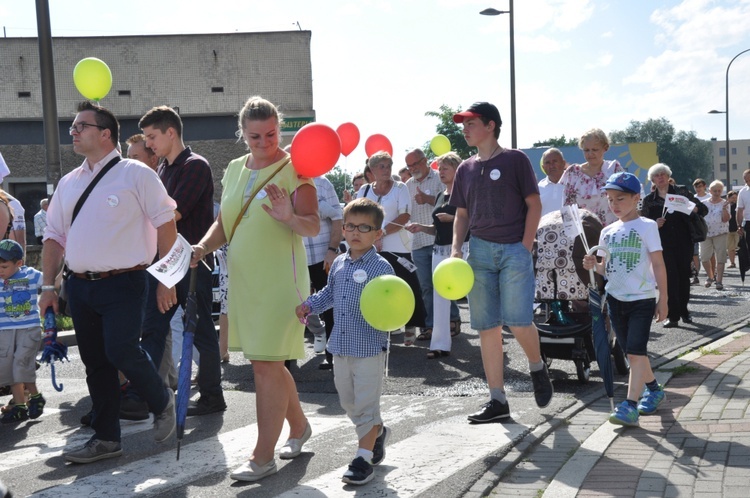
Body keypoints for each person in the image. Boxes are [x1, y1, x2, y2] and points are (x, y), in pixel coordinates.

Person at [39, 101, 177, 463]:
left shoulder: (136, 173)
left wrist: (167, 278)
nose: (73, 131)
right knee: (96, 363)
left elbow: (166, 223)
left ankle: (161, 400)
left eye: (81, 126)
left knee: (121, 350)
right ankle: (106, 439)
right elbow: (53, 237)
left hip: (125, 282)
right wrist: (48, 287)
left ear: (105, 134)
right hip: (80, 286)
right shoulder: (69, 182)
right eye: (72, 126)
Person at [189, 96, 318, 482]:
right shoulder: (232, 168)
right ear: (242, 134)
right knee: (270, 362)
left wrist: (289, 216)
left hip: (282, 280)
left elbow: (312, 225)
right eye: (255, 135)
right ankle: (299, 427)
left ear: (280, 128)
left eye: (272, 134)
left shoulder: (297, 168)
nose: (264, 142)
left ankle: (262, 456)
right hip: (244, 279)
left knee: (265, 365)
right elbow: (226, 224)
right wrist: (202, 246)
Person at [450, 101, 553, 423]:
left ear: (491, 125)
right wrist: (456, 250)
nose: (464, 129)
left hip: (513, 250)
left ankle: (537, 366)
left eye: (471, 123)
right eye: (463, 124)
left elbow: (534, 205)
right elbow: (462, 214)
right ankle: (497, 400)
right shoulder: (465, 168)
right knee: (487, 327)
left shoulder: (515, 160)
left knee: (518, 320)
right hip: (478, 251)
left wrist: (524, 246)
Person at [134, 105, 225, 417]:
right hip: (163, 264)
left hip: (190, 263)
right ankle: (145, 394)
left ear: (170, 132)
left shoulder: (195, 166)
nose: (149, 144)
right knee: (153, 329)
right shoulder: (162, 169)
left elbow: (172, 214)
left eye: (152, 136)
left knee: (199, 332)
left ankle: (213, 395)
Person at [296, 198, 393, 485]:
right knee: (348, 402)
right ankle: (377, 431)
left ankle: (362, 459)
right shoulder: (339, 261)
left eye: (365, 227)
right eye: (350, 226)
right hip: (340, 346)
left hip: (369, 348)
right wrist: (309, 305)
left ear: (377, 234)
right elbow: (329, 294)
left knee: (365, 403)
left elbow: (392, 302)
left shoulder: (381, 267)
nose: (355, 232)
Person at [583, 172, 668, 427]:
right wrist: (592, 264)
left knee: (635, 350)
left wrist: (663, 299)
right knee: (634, 354)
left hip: (642, 299)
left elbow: (659, 264)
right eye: (610, 199)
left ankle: (629, 405)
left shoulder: (648, 226)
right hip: (615, 300)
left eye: (620, 198)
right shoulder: (607, 231)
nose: (614, 204)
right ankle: (654, 389)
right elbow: (605, 269)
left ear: (636, 198)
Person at [358, 151, 426, 346]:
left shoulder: (400, 188)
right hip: (371, 248)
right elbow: (358, 215)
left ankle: (411, 325)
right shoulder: (363, 190)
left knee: (407, 286)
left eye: (389, 166)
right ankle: (381, 328)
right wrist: (370, 237)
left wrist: (382, 233)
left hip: (399, 247)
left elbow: (405, 216)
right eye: (382, 166)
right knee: (378, 290)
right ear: (372, 170)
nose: (386, 170)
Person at [406, 151, 468, 358]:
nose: (440, 172)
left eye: (445, 168)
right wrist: (421, 227)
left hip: (463, 248)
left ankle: (493, 336)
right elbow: (436, 227)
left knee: (475, 294)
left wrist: (454, 218)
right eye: (439, 168)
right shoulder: (442, 194)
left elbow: (475, 219)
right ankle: (439, 344)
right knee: (439, 295)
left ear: (457, 169)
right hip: (439, 249)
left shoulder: (466, 191)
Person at [640, 163, 707, 328]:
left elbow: (703, 209)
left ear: (668, 176)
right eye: (657, 175)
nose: (660, 177)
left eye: (663, 174)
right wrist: (655, 223)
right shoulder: (649, 200)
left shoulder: (681, 192)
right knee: (670, 278)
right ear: (653, 180)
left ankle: (684, 311)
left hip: (684, 241)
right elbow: (643, 223)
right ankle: (673, 315)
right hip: (662, 245)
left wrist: (691, 208)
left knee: (684, 277)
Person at [0, 240, 45, 424]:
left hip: (28, 327)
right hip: (5, 330)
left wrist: (62, 264)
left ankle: (35, 396)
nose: (0, 270)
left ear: (18, 263)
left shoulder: (31, 275)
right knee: (9, 368)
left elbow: (51, 281)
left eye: (4, 266)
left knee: (21, 363)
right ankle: (20, 406)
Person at [304, 175, 343, 369]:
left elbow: (338, 216)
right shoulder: (280, 179)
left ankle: (333, 355)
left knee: (330, 306)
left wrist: (332, 250)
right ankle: (286, 362)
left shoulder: (322, 183)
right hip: (294, 259)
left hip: (323, 256)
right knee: (293, 305)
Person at [404, 148, 443, 341]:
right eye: (409, 166)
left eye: (415, 164)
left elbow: (449, 203)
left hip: (439, 240)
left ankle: (452, 320)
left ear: (425, 160)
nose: (412, 169)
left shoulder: (439, 178)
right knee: (426, 286)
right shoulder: (408, 185)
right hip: (417, 243)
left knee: (444, 284)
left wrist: (427, 199)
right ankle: (429, 326)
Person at [561, 128, 623, 227]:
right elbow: (567, 207)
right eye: (586, 150)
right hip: (583, 235)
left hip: (613, 231)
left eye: (595, 149)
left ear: (605, 148)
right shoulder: (572, 173)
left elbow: (625, 200)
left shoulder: (614, 169)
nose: (590, 154)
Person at [700, 180, 730, 290]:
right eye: (715, 191)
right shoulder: (704, 203)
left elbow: (726, 219)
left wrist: (724, 209)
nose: (717, 193)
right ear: (710, 191)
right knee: (704, 258)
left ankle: (719, 281)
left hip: (720, 233)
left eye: (719, 190)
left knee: (720, 258)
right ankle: (710, 276)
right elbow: (699, 218)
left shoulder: (725, 203)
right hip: (706, 234)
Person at [538, 148, 567, 216]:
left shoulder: (574, 184)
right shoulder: (538, 189)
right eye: (547, 163)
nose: (551, 166)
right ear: (543, 167)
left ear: (563, 163)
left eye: (555, 161)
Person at [727, 190, 739, 268]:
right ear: (728, 198)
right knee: (730, 248)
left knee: (740, 247)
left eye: (735, 198)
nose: (734, 199)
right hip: (728, 230)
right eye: (732, 198)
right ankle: (732, 263)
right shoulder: (726, 206)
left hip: (738, 229)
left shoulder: (739, 206)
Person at [736, 169, 750, 237]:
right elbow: (739, 210)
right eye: (747, 181)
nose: (748, 183)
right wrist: (739, 225)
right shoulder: (742, 192)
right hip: (748, 222)